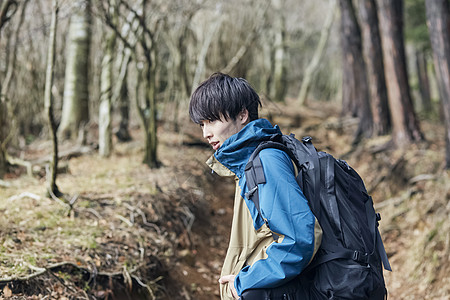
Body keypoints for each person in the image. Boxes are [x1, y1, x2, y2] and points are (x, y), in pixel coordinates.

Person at [189, 73, 321, 300]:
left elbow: (299, 239)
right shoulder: (247, 163)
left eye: (212, 121)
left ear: (242, 115)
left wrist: (246, 282)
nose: (206, 133)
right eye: (202, 124)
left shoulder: (266, 161)